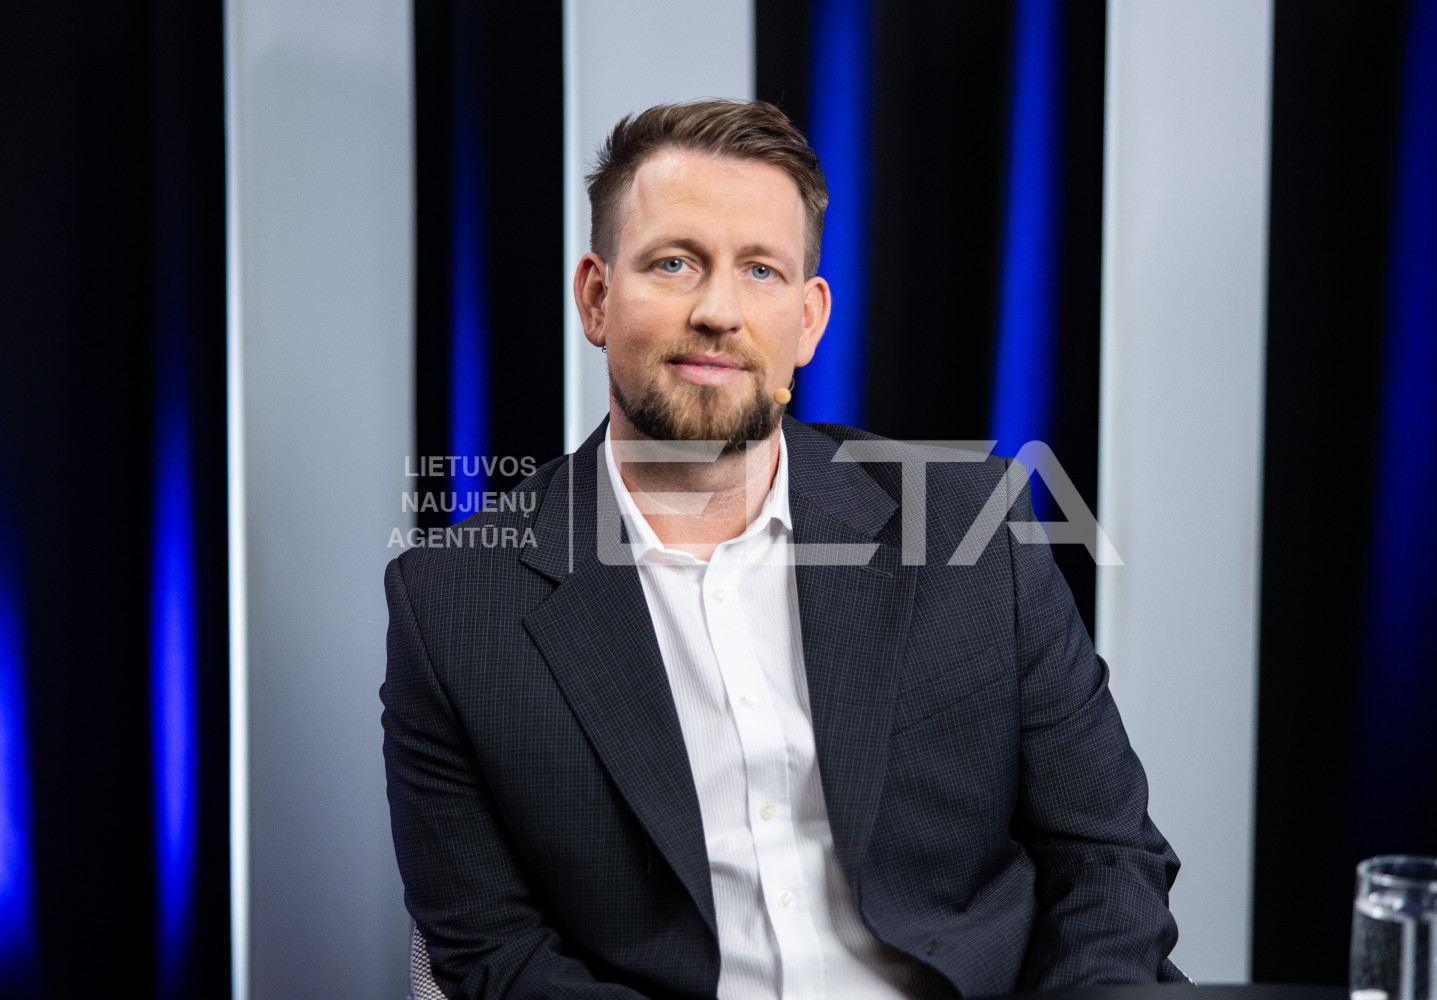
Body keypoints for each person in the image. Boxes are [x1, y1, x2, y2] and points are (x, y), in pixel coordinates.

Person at [382, 99, 1185, 1000]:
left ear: (808, 320)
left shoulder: (968, 526)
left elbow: (1107, 856)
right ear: (597, 298)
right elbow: (494, 953)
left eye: (760, 270)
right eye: (675, 262)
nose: (718, 311)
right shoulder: (452, 606)